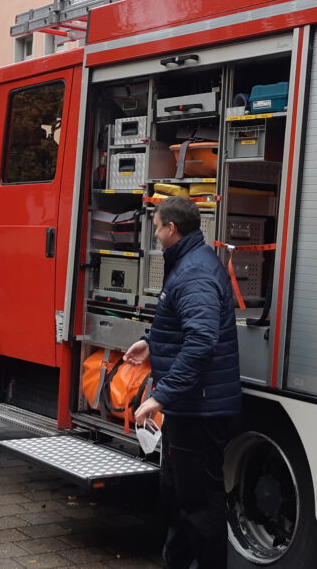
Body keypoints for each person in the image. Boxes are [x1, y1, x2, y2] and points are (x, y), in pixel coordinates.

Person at [126, 196, 241, 569]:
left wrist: (161, 395)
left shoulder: (193, 271)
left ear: (171, 229)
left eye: (157, 226)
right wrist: (151, 341)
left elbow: (202, 339)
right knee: (177, 496)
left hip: (200, 408)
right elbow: (184, 324)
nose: (155, 233)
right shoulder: (188, 264)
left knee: (199, 505)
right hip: (190, 405)